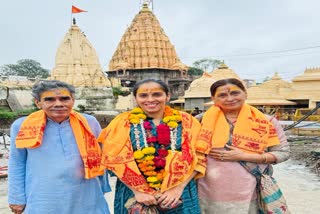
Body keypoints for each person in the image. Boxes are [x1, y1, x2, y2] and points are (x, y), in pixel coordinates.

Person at [98, 78, 208, 213]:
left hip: (179, 195)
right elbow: (112, 161)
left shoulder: (187, 122)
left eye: (157, 94)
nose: (150, 100)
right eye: (143, 95)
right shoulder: (121, 123)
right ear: (135, 98)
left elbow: (200, 157)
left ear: (167, 96)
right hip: (134, 196)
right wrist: (138, 191)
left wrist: (177, 189)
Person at [8, 80, 111, 214]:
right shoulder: (22, 126)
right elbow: (17, 163)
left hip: (86, 192)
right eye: (49, 99)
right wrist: (16, 197)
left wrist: (102, 187)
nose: (58, 104)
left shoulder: (89, 122)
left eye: (64, 98)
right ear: (38, 102)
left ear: (73, 100)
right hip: (43, 197)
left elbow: (100, 156)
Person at [196, 78, 290, 214]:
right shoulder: (200, 121)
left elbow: (283, 153)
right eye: (222, 95)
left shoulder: (267, 121)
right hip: (208, 191)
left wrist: (244, 156)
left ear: (245, 94)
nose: (229, 98)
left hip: (251, 191)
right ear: (213, 98)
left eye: (235, 93)